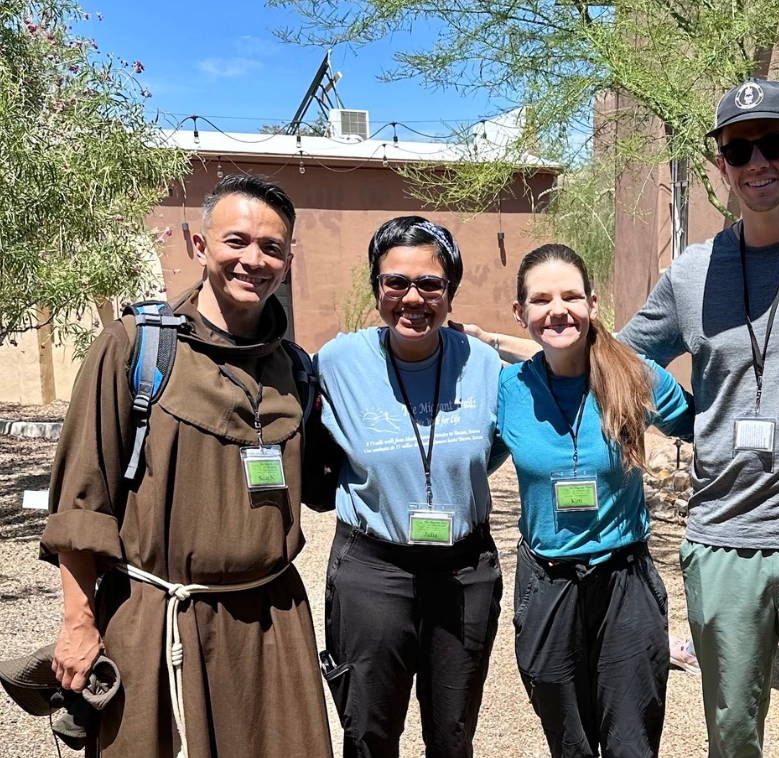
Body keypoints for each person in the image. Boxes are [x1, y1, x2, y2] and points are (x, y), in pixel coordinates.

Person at [472, 79, 779, 758]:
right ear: (721, 164)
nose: (758, 160)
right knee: (730, 734)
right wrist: (525, 345)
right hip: (724, 538)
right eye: (739, 147)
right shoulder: (691, 275)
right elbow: (608, 351)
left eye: (773, 142)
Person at [40, 175, 333, 757]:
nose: (254, 260)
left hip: (271, 623)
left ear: (288, 261)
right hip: (157, 621)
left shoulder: (295, 369)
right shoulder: (135, 347)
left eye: (272, 248)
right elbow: (82, 500)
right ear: (199, 247)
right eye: (236, 241)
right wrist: (78, 623)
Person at [311, 216, 507, 758]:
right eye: (395, 282)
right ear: (376, 289)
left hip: (463, 569)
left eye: (430, 284)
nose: (412, 298)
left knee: (452, 734)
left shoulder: (484, 364)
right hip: (373, 570)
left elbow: (494, 448)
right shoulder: (337, 361)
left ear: (451, 292)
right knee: (369, 731)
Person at [499, 244, 693, 758]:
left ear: (593, 303)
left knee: (632, 743)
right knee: (569, 743)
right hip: (547, 583)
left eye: (570, 296)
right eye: (540, 299)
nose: (557, 309)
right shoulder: (509, 388)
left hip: (624, 581)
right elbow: (463, 456)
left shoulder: (635, 375)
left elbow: (707, 425)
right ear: (520, 313)